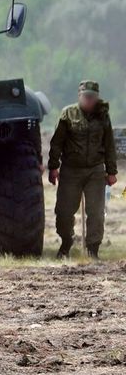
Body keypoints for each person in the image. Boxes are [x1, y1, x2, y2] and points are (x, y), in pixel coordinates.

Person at [47, 80, 118, 259]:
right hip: (71, 170)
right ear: (80, 96)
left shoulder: (103, 116)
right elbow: (56, 143)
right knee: (64, 211)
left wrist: (111, 171)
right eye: (86, 97)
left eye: (92, 97)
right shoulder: (68, 114)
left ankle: (93, 249)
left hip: (95, 170)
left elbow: (109, 144)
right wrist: (53, 167)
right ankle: (66, 243)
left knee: (96, 213)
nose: (89, 100)